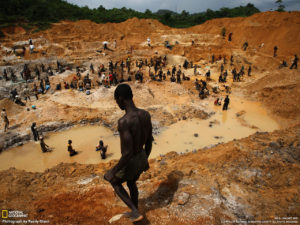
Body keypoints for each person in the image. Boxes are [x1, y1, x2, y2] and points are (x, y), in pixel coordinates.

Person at [104, 84, 153, 222]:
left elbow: (127, 153)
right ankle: (135, 211)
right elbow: (149, 142)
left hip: (131, 160)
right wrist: (145, 160)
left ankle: (135, 212)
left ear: (120, 98)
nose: (117, 104)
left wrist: (113, 171)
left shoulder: (124, 122)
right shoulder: (146, 115)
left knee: (114, 182)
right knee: (131, 183)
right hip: (142, 156)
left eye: (116, 100)